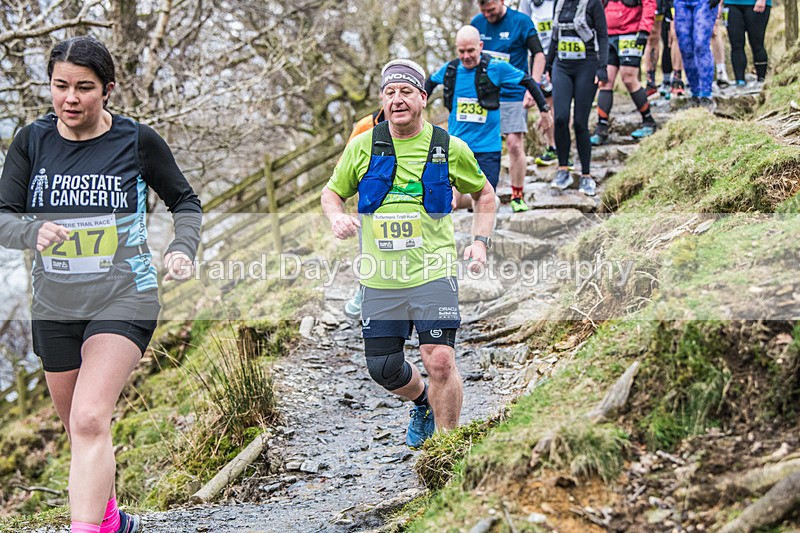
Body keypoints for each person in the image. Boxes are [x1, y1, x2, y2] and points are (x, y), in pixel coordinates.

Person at [0, 37, 202, 533]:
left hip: (125, 294)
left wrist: (182, 248)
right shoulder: (31, 140)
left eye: (84, 88)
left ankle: (87, 528)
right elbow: (3, 218)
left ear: (107, 90)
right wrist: (33, 230)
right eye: (60, 85)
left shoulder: (136, 141)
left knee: (90, 418)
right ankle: (112, 519)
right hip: (54, 306)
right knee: (78, 428)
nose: (70, 98)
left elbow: (186, 201)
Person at [321, 59, 496, 449]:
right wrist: (336, 218)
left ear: (422, 97)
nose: (397, 100)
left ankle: (446, 447)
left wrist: (480, 242)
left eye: (405, 92)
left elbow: (485, 194)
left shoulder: (448, 146)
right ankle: (420, 402)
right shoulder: (363, 145)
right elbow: (332, 192)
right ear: (383, 100)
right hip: (381, 278)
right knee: (383, 368)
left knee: (440, 361)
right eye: (390, 93)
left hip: (433, 271)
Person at [425, 25, 552, 207]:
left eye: (471, 50)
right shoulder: (450, 69)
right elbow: (427, 85)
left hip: (487, 149)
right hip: (456, 148)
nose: (466, 56)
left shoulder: (496, 68)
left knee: (484, 200)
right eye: (462, 51)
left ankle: (483, 231)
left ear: (481, 46)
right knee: (449, 198)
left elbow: (527, 80)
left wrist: (544, 110)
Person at [472, 0, 546, 212]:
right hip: (484, 95)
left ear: (502, 2)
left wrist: (535, 87)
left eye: (491, 10)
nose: (487, 15)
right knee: (478, 147)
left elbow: (539, 54)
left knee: (514, 144)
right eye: (483, 11)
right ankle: (479, 197)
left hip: (513, 93)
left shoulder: (521, 21)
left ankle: (517, 194)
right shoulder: (477, 23)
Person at [546, 0, 609, 196]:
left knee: (580, 123)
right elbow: (554, 36)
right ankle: (563, 170)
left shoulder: (593, 4)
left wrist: (603, 67)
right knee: (560, 117)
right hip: (562, 66)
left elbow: (603, 35)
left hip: (586, 66)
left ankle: (586, 175)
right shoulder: (559, 3)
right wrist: (548, 66)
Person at [590, 0, 658, 145]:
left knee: (629, 78)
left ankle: (648, 121)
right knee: (605, 80)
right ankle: (601, 128)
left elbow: (649, 3)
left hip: (631, 33)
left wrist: (644, 30)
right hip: (607, 34)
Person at [342, 108, 386, 320]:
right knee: (368, 251)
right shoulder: (364, 126)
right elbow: (346, 162)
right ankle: (365, 290)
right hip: (370, 200)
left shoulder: (415, 123)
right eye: (390, 91)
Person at [519, 0, 570, 168]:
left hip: (561, 54)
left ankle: (565, 149)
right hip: (538, 56)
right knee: (546, 103)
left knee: (561, 104)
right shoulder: (528, 3)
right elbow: (524, 23)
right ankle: (552, 146)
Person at [673, 0, 720, 109]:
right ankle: (695, 92)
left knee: (701, 44)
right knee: (685, 47)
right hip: (681, 3)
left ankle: (706, 94)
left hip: (704, 2)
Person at [725, 0, 770, 88]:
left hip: (755, 4)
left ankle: (761, 79)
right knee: (736, 44)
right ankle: (739, 81)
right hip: (731, 4)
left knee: (757, 43)